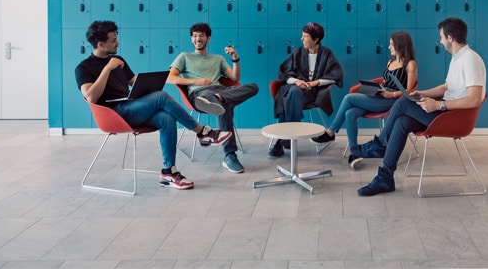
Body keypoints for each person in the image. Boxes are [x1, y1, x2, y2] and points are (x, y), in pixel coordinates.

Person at [76, 20, 231, 190]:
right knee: (161, 97)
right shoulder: (84, 68)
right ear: (100, 44)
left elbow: (133, 82)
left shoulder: (118, 60)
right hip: (114, 114)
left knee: (166, 118)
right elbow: (91, 96)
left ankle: (168, 172)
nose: (118, 43)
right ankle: (202, 132)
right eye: (113, 40)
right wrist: (107, 69)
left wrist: (149, 83)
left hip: (131, 107)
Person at [352, 17, 486, 196]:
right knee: (402, 122)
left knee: (402, 103)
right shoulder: (457, 58)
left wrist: (440, 105)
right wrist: (423, 93)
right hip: (444, 112)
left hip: (453, 118)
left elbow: (474, 99)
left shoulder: (470, 60)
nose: (440, 41)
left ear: (450, 37)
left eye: (441, 36)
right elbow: (446, 87)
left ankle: (380, 144)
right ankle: (385, 178)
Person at [311, 31, 418, 169]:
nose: (389, 47)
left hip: (394, 101)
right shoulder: (391, 61)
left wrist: (391, 95)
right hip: (381, 95)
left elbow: (409, 90)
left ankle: (331, 132)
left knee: (348, 98)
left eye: (392, 44)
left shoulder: (410, 64)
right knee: (350, 113)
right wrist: (377, 88)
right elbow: (386, 81)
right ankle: (355, 152)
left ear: (400, 45)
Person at [167, 22, 259, 174]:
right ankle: (229, 155)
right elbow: (170, 78)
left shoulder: (218, 58)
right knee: (224, 107)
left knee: (253, 86)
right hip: (200, 93)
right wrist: (196, 81)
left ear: (208, 38)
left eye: (201, 36)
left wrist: (235, 59)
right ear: (191, 39)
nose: (198, 39)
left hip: (220, 91)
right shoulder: (184, 56)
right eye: (195, 36)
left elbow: (235, 77)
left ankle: (219, 99)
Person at [270, 21, 343, 158]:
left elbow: (336, 75)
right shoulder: (298, 52)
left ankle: (283, 140)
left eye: (305, 36)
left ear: (316, 39)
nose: (302, 39)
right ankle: (290, 135)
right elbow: (283, 73)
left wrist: (314, 83)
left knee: (288, 98)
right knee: (292, 92)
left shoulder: (326, 54)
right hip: (294, 89)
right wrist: (297, 81)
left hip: (313, 93)